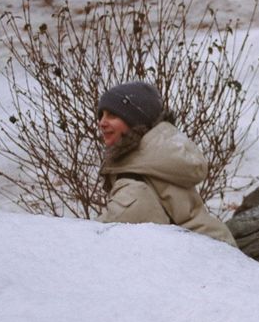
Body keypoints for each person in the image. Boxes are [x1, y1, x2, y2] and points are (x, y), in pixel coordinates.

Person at [96, 81, 237, 247]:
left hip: (205, 261)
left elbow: (102, 238)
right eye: (101, 115)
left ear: (134, 121)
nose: (102, 122)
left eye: (112, 115)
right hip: (216, 248)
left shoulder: (135, 183)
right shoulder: (155, 160)